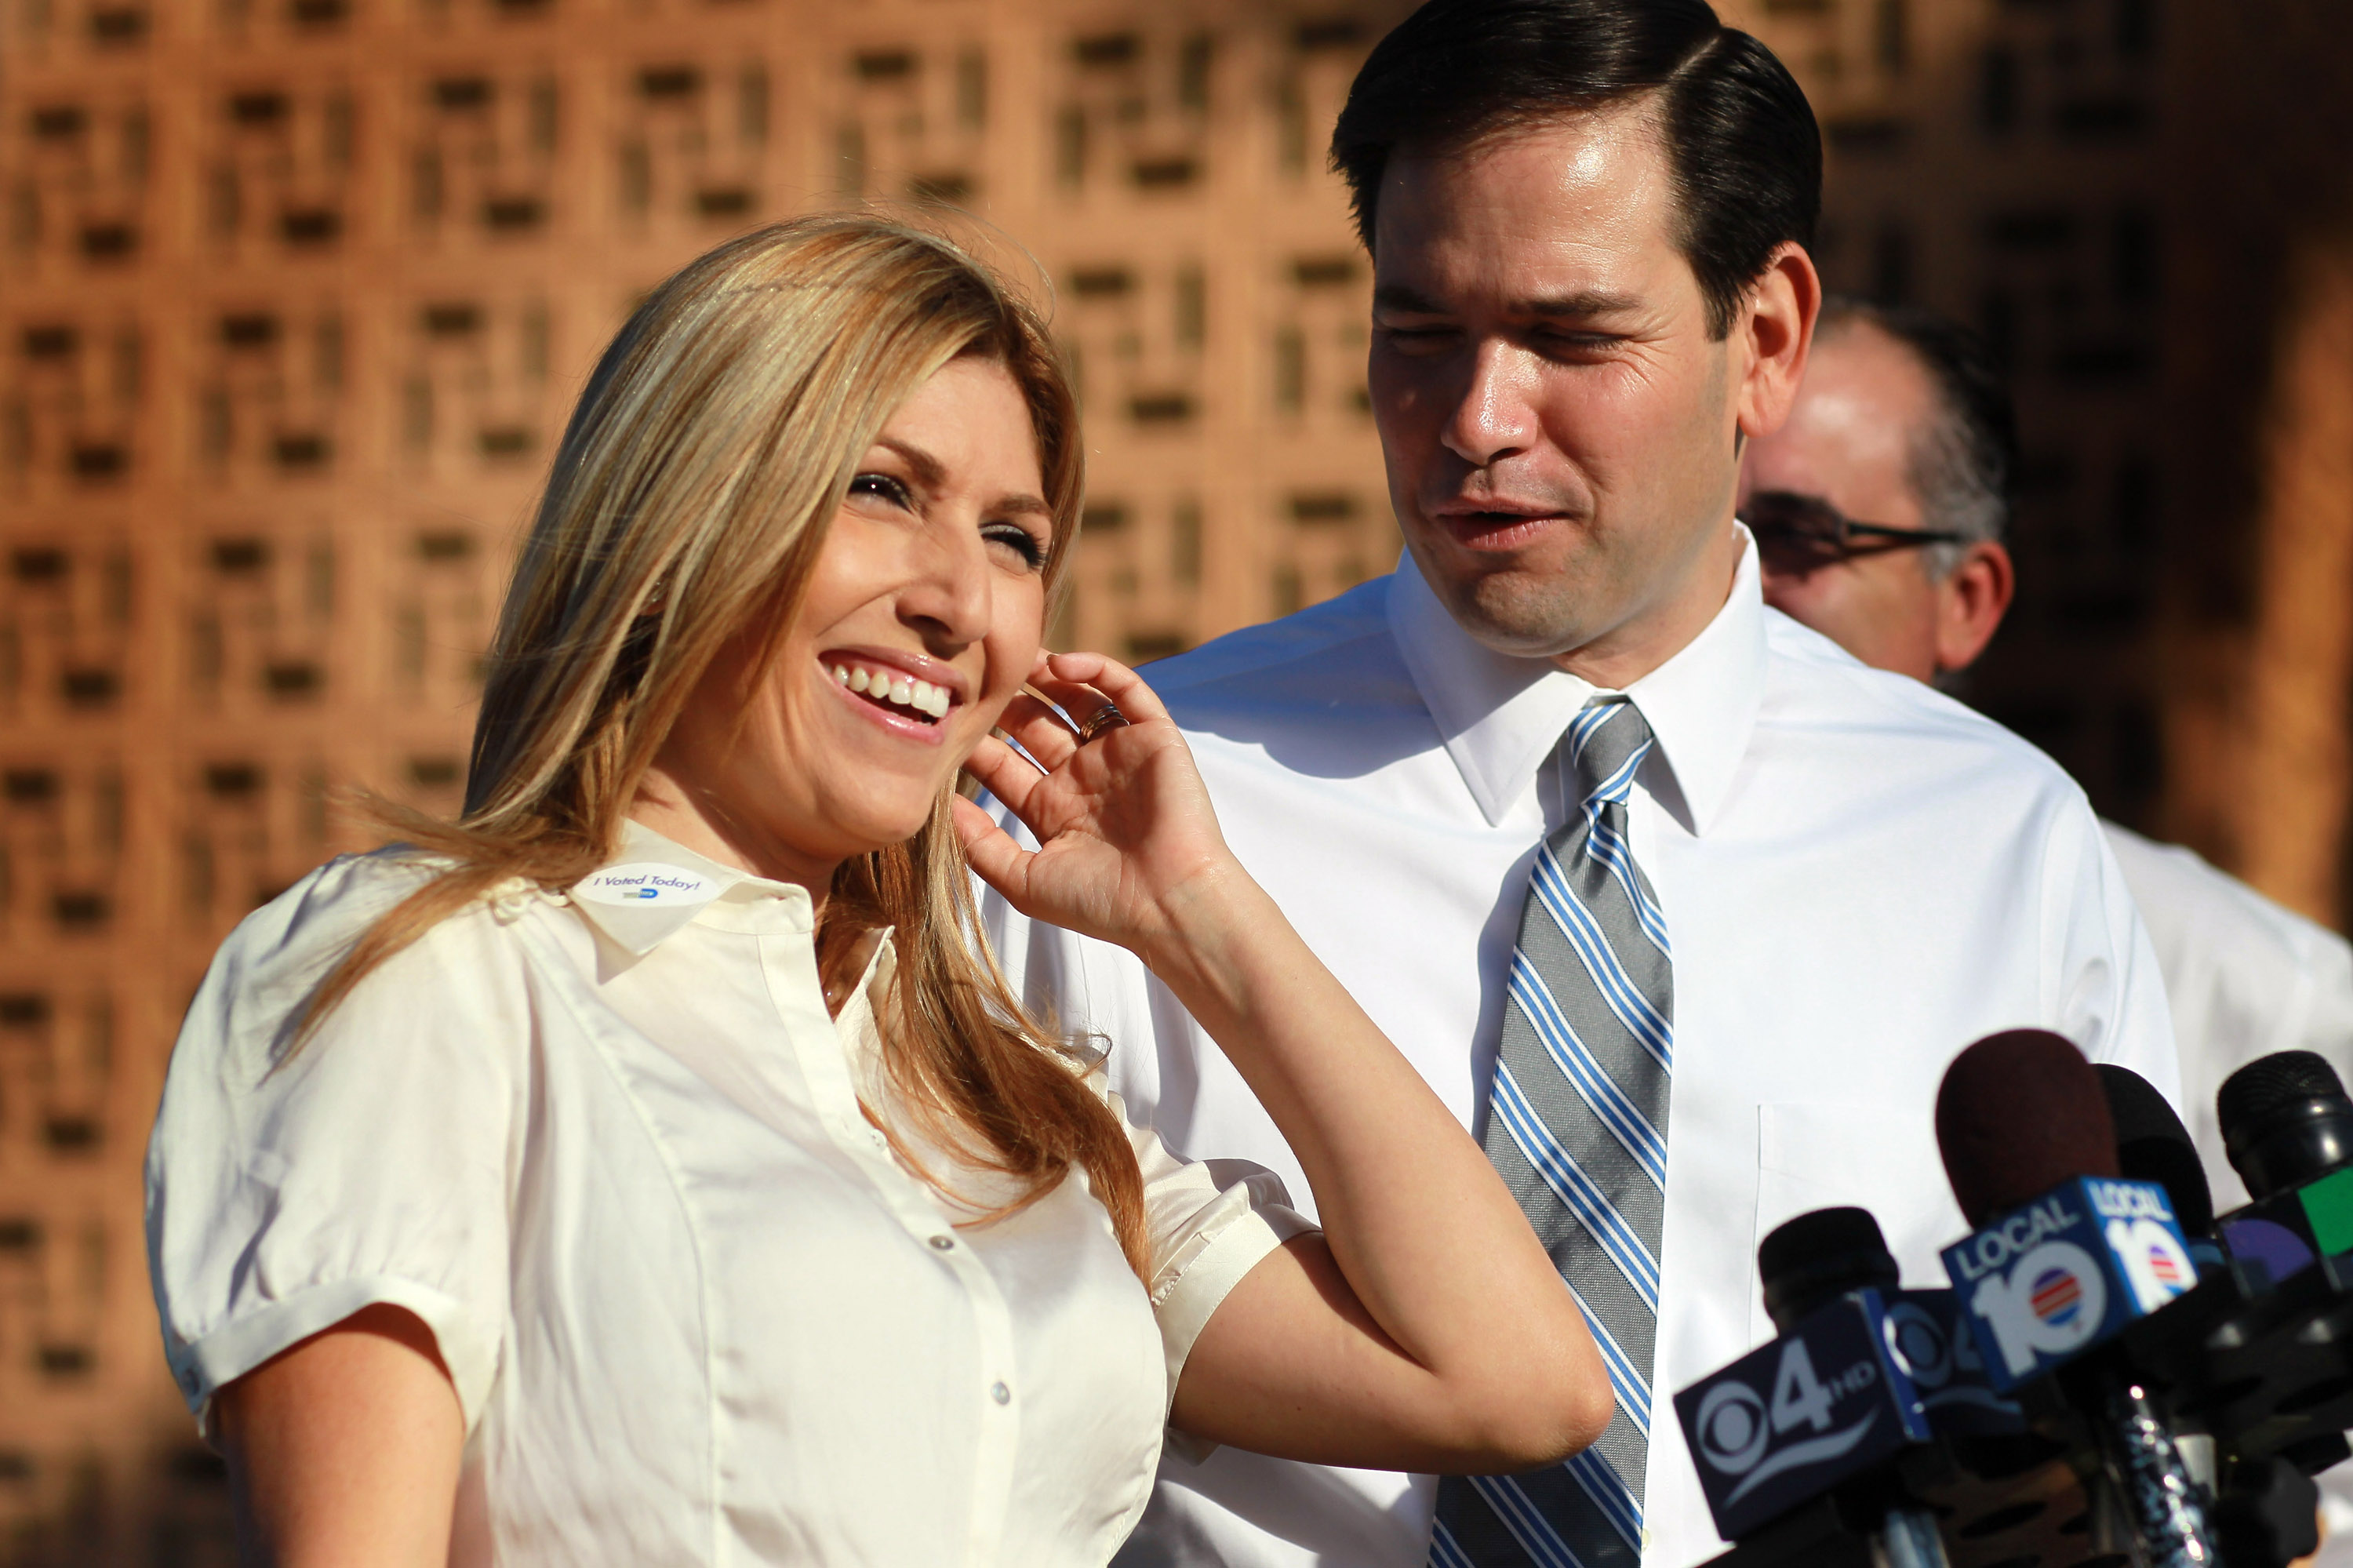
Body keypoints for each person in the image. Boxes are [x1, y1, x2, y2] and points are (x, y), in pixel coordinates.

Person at [142, 216, 1617, 1566]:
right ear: (684, 510)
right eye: (881, 490)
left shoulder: (1018, 1112)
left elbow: (1516, 1378)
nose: (959, 599)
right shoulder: (421, 971)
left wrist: (1199, 911)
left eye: (1013, 538)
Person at [978, 3, 2180, 1566]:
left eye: (1569, 338)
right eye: (1419, 334)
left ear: (1765, 341)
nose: (1479, 420)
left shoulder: (1997, 844)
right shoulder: (1126, 799)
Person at [1737, 296, 2353, 1213]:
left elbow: (2325, 1246)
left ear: (1968, 601)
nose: (1736, 578)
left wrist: (2217, 1289)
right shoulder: (1572, 889)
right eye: (1712, 532)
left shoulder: (2229, 976)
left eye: (1793, 536)